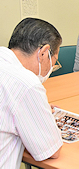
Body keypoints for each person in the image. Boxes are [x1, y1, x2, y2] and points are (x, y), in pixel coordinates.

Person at [0, 18, 63, 168]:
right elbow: (51, 150)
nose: (51, 68)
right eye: (54, 62)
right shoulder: (26, 83)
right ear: (43, 53)